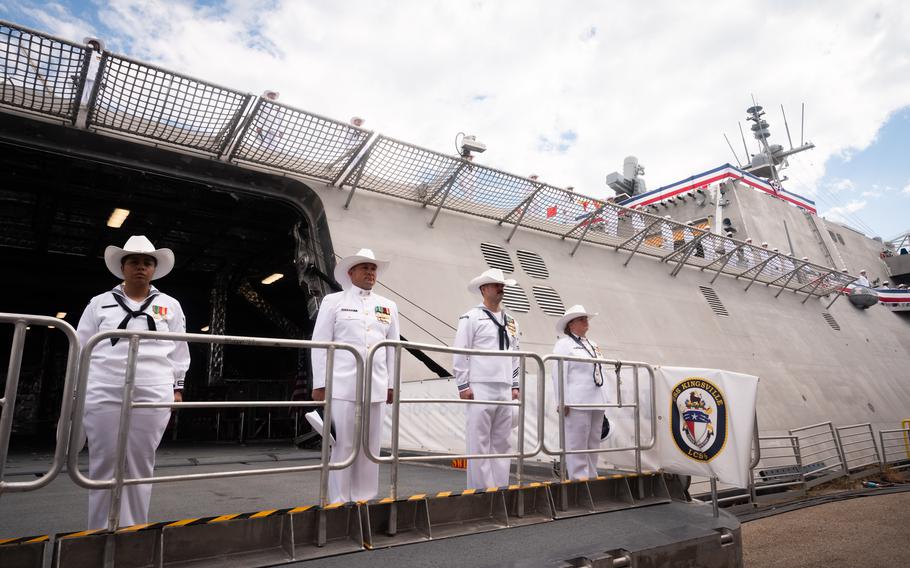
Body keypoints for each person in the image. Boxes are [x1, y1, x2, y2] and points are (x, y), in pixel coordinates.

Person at [76, 235, 189, 530]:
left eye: (147, 262)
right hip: (103, 387)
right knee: (104, 461)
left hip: (153, 388)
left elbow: (180, 350)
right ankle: (99, 530)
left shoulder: (170, 305)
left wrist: (177, 388)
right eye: (135, 262)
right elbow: (80, 347)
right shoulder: (98, 304)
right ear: (123, 267)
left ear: (154, 269)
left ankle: (135, 530)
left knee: (141, 461)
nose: (141, 267)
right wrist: (77, 390)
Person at [311, 248, 399, 503]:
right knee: (343, 446)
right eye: (365, 268)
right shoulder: (334, 302)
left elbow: (392, 349)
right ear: (351, 273)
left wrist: (391, 385)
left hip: (377, 386)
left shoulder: (389, 306)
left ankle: (364, 499)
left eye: (373, 269)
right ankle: (339, 501)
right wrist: (320, 383)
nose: (371, 273)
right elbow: (321, 343)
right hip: (342, 386)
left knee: (370, 447)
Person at [453, 268, 521, 489]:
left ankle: (500, 487)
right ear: (484, 289)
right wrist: (463, 385)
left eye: (502, 285)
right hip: (480, 386)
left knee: (502, 442)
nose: (501, 288)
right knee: (479, 441)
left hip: (504, 387)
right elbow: (461, 351)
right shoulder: (471, 317)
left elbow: (516, 355)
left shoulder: (512, 321)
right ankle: (481, 490)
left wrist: (515, 385)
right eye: (495, 285)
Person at [550, 305, 607, 480]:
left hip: (596, 399)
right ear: (571, 324)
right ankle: (578, 478)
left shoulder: (593, 344)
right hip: (576, 400)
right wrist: (562, 400)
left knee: (593, 441)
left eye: (586, 318)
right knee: (577, 442)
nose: (585, 321)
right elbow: (558, 373)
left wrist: (606, 399)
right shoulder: (563, 344)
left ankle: (591, 475)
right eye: (581, 319)